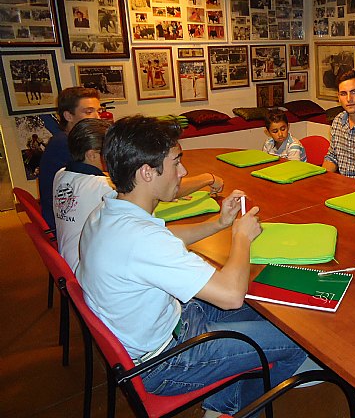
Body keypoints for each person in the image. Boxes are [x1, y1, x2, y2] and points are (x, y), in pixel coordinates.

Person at [76, 116, 307, 417]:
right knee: (298, 340)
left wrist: (220, 223)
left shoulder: (108, 210)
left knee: (278, 310)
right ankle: (231, 409)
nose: (183, 172)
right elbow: (231, 294)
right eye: (176, 162)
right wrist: (240, 236)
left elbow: (163, 237)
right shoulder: (140, 238)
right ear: (147, 172)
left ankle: (226, 394)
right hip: (167, 362)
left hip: (172, 323)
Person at [52, 118, 114, 272]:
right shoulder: (102, 186)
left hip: (67, 262)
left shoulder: (60, 174)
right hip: (87, 271)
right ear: (92, 155)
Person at [39, 87, 102, 233]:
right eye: (88, 112)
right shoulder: (66, 144)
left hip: (66, 213)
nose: (97, 117)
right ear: (68, 116)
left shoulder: (63, 138)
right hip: (67, 223)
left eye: (98, 110)